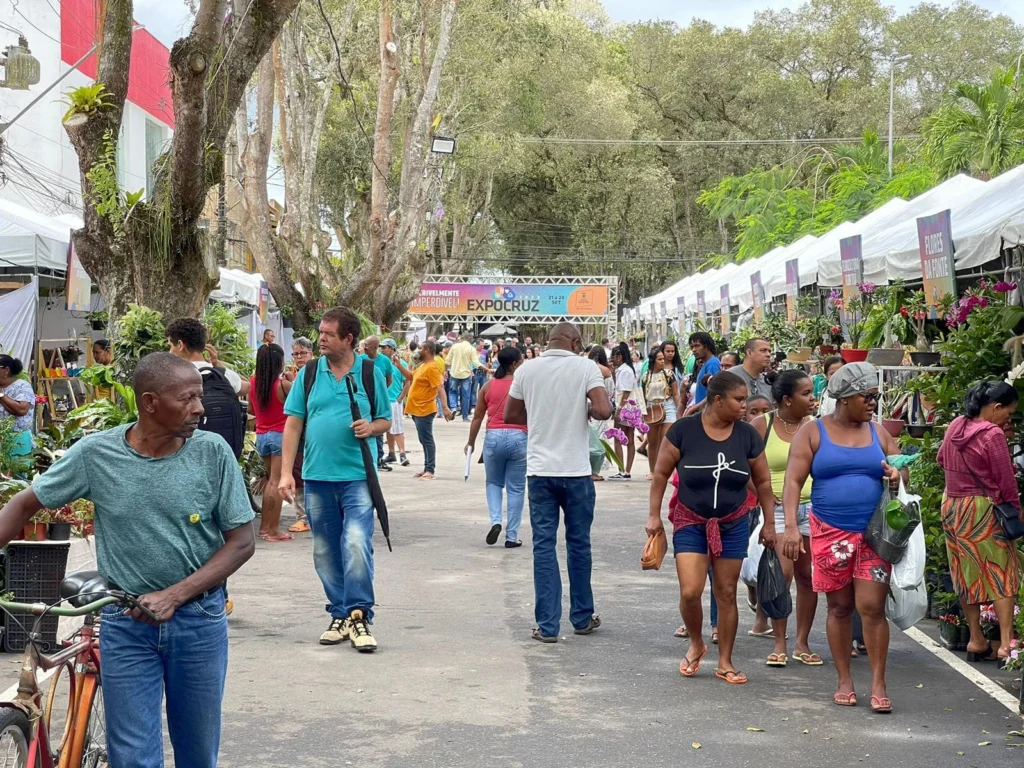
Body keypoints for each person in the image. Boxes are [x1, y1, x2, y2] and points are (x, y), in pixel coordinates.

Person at [0, 352, 255, 766]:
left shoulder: (212, 453)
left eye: (199, 397)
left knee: (197, 753)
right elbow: (23, 505)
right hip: (125, 625)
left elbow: (242, 541)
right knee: (133, 757)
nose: (199, 408)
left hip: (198, 622)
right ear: (151, 402)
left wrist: (176, 595)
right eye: (187, 398)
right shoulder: (96, 455)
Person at [781, 362, 905, 712]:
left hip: (874, 534)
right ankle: (845, 680)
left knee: (871, 607)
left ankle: (879, 682)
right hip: (828, 532)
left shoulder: (878, 432)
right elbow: (793, 481)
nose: (873, 404)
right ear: (846, 397)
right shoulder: (813, 432)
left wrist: (898, 474)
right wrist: (791, 527)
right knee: (838, 606)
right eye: (868, 397)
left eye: (875, 397)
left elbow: (903, 464)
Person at [647, 372, 776, 684]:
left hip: (733, 522)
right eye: (739, 400)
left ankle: (726, 661)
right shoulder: (684, 431)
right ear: (718, 400)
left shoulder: (746, 435)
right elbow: (661, 473)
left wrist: (770, 523)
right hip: (691, 520)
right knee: (690, 591)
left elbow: (762, 480)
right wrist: (653, 516)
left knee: (727, 592)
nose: (745, 406)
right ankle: (696, 643)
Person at [279, 307, 391, 651]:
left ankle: (359, 615)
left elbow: (385, 419)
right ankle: (339, 613)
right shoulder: (309, 373)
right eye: (321, 333)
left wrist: (371, 427)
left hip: (358, 476)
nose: (321, 339)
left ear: (348, 338)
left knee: (356, 542)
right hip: (316, 477)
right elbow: (294, 423)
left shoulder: (369, 372)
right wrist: (285, 473)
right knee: (325, 550)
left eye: (328, 334)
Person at [504, 323, 613, 642]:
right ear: (576, 342)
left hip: (540, 473)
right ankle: (581, 617)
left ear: (548, 341)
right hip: (577, 472)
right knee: (579, 544)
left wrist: (541, 414)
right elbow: (604, 410)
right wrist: (582, 408)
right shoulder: (586, 367)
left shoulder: (527, 369)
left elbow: (510, 414)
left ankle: (548, 626)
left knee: (543, 546)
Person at [937, 381, 1022, 664]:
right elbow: (1006, 482)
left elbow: (940, 459)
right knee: (1001, 573)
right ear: (996, 408)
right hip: (982, 509)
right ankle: (1006, 645)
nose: (1007, 420)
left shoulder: (956, 426)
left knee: (965, 574)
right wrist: (1016, 514)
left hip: (951, 505)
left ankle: (975, 638)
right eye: (1008, 414)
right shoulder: (993, 434)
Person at [751, 370, 820, 667]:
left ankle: (802, 643)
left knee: (809, 579)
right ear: (787, 400)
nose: (813, 399)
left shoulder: (816, 428)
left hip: (814, 509)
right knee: (782, 575)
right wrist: (765, 499)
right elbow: (745, 469)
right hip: (778, 511)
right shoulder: (760, 426)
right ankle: (779, 641)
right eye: (806, 394)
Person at [466, 346, 528, 548]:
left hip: (493, 437)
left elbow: (477, 417)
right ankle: (512, 537)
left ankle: (495, 522)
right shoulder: (524, 385)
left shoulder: (488, 386)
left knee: (493, 483)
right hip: (520, 437)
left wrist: (471, 442)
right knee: (516, 488)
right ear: (514, 364)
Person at [248, 343, 294, 542]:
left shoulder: (253, 383)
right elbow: (298, 409)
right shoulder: (283, 385)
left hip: (262, 436)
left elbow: (251, 409)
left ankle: (264, 528)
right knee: (276, 482)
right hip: (280, 436)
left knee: (270, 481)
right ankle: (273, 531)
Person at [166, 317, 249, 400]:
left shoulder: (171, 377)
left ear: (180, 345)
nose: (170, 352)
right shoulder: (222, 374)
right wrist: (217, 364)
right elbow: (247, 387)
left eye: (170, 346)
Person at [405, 341, 454, 479]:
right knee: (423, 439)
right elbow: (411, 376)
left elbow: (440, 388)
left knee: (427, 439)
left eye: (420, 348)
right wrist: (397, 365)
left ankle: (430, 470)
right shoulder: (423, 366)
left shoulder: (432, 367)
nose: (418, 350)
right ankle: (427, 467)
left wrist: (445, 407)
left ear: (426, 350)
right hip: (417, 409)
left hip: (425, 409)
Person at [360, 336, 397, 472]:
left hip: (378, 399)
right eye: (364, 345)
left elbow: (389, 380)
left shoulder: (385, 361)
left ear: (375, 347)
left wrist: (379, 393)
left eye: (367, 345)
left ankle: (379, 458)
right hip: (365, 400)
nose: (364, 348)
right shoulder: (360, 359)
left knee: (379, 427)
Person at [641, 347, 677, 481]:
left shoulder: (669, 374)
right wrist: (642, 412)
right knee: (652, 441)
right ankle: (653, 470)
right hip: (651, 407)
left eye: (663, 359)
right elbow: (643, 396)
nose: (663, 361)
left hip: (667, 406)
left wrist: (680, 411)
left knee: (666, 440)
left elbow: (676, 393)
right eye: (659, 359)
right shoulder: (646, 377)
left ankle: (667, 471)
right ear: (653, 361)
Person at [381, 339, 412, 467]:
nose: (382, 349)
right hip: (383, 399)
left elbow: (407, 382)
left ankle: (402, 453)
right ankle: (391, 452)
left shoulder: (401, 364)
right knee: (387, 427)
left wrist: (400, 398)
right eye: (381, 347)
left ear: (392, 349)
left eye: (385, 347)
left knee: (397, 428)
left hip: (394, 399)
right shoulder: (381, 362)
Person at [609, 342, 637, 481]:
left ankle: (622, 470)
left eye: (613, 357)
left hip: (625, 407)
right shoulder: (625, 370)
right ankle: (626, 470)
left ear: (619, 357)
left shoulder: (625, 371)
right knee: (629, 438)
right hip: (630, 408)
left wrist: (619, 410)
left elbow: (625, 392)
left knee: (619, 437)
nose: (612, 360)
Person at [587, 346, 615, 481]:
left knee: (589, 440)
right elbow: (610, 391)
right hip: (602, 408)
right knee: (600, 440)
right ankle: (596, 470)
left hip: (588, 408)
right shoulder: (606, 372)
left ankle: (588, 468)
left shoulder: (586, 369)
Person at [0, 355, 34, 462]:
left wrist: (1, 395)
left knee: (18, 475)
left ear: (6, 370)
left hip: (18, 439)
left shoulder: (22, 386)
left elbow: (21, 409)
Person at [447, 333, 479, 421]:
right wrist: (486, 369)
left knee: (453, 392)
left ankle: (453, 408)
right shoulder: (472, 349)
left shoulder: (454, 346)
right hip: (466, 374)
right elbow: (476, 363)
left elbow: (448, 360)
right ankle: (465, 416)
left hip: (454, 373)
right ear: (471, 339)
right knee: (466, 395)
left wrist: (444, 371)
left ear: (462, 338)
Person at [688, 332, 720, 408]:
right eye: (692, 347)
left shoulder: (712, 363)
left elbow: (715, 392)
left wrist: (695, 408)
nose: (694, 350)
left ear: (707, 346)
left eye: (697, 346)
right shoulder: (706, 364)